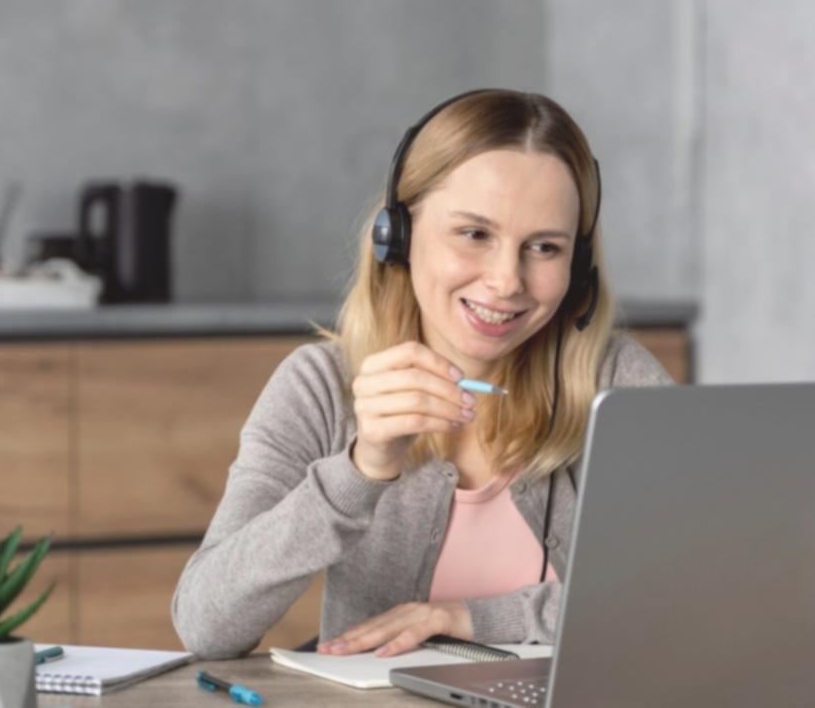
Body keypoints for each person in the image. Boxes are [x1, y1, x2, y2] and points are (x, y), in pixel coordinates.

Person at [171, 88, 673, 659]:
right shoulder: (319, 387)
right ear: (398, 237)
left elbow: (686, 590)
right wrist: (362, 469)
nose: (507, 281)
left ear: (578, 266)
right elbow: (206, 625)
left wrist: (468, 619)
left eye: (544, 247)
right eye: (475, 234)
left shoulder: (617, 383)